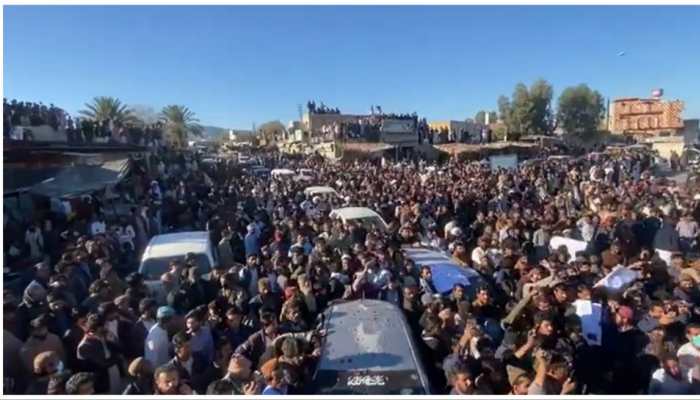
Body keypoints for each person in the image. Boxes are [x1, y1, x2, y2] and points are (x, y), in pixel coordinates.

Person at [76, 313, 123, 394]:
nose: (107, 327)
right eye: (105, 325)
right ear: (98, 327)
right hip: (101, 382)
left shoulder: (103, 336)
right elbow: (103, 364)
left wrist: (112, 339)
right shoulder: (85, 345)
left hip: (113, 374)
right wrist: (118, 358)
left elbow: (119, 349)